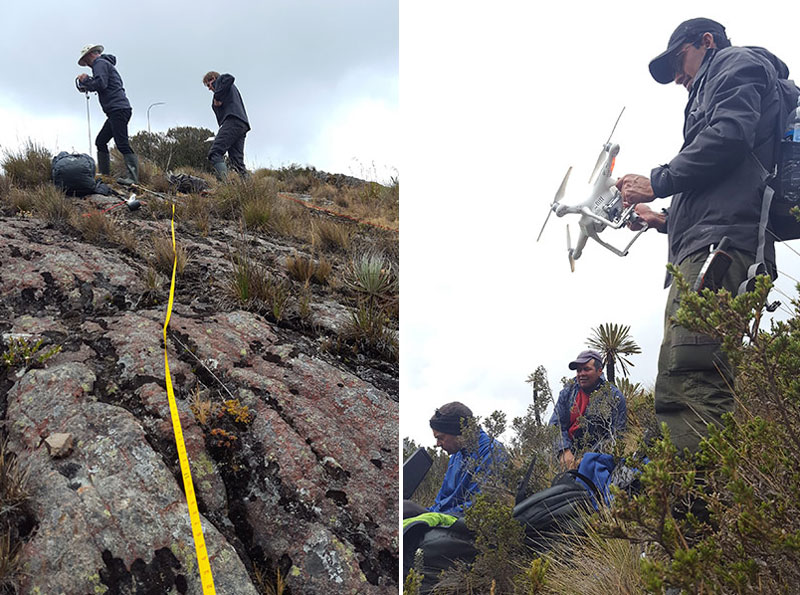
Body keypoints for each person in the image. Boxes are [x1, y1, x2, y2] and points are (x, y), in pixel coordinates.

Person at [615, 18, 799, 452]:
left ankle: (697, 501)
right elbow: (720, 175)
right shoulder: (714, 81)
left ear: (707, 42)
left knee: (693, 375)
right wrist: (663, 218)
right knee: (680, 376)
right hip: (706, 245)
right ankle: (682, 497)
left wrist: (658, 180)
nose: (677, 76)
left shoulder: (736, 64)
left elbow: (729, 137)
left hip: (719, 247)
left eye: (679, 60)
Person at [549, 349, 626, 469]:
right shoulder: (568, 391)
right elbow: (555, 424)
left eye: (586, 369)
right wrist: (564, 450)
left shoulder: (614, 396)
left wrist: (587, 458)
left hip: (596, 456)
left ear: (599, 371)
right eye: (579, 370)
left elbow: (616, 435)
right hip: (567, 452)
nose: (581, 374)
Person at [77, 44, 138, 185]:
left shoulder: (99, 64)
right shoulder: (104, 64)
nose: (86, 64)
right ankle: (105, 176)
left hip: (118, 110)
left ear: (90, 55)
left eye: (85, 60)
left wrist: (86, 80)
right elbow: (102, 83)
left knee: (122, 143)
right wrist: (88, 84)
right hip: (117, 110)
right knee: (101, 141)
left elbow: (101, 84)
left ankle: (133, 178)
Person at [203, 71, 251, 181]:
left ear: (213, 79)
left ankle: (223, 186)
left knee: (215, 153)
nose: (209, 88)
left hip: (233, 121)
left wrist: (217, 96)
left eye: (208, 84)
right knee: (237, 162)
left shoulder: (222, 80)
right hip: (242, 125)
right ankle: (250, 189)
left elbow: (229, 78)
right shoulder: (225, 91)